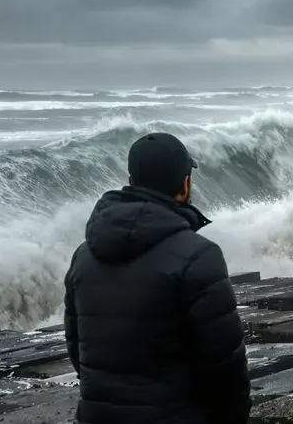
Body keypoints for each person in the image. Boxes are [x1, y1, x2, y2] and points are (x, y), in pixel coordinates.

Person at [64, 133, 250, 424]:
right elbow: (225, 367)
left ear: (131, 181)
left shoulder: (83, 256)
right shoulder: (199, 256)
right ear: (185, 184)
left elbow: (77, 351)